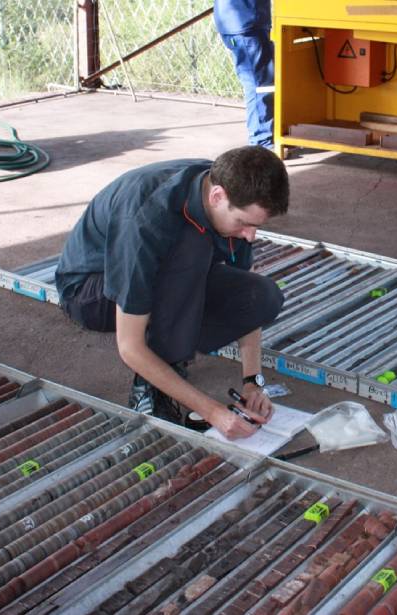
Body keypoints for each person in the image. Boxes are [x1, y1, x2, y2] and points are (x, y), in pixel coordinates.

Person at [55, 146, 289, 440]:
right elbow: (129, 346)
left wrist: (253, 381)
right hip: (89, 292)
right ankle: (149, 389)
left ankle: (174, 343)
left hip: (162, 277)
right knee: (192, 246)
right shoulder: (147, 216)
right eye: (244, 223)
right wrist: (211, 410)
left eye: (256, 226)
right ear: (217, 197)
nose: (250, 235)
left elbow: (245, 295)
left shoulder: (230, 189)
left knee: (261, 295)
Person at [214, 0, 274, 148]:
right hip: (246, 24)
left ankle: (264, 137)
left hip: (238, 22)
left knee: (258, 83)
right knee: (259, 85)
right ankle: (261, 142)